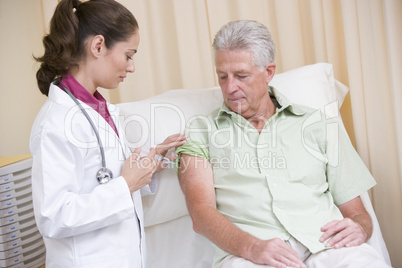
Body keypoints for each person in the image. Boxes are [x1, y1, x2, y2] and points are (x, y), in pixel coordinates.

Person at [176, 20, 390, 268]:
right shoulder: (201, 131)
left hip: (326, 245)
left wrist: (360, 229)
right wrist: (253, 248)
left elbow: (358, 214)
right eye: (222, 77)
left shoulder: (318, 124)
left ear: (268, 72)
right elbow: (201, 215)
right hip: (252, 256)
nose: (230, 87)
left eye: (241, 76)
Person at [30, 0, 186, 267]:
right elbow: (53, 217)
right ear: (98, 46)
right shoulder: (55, 123)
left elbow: (106, 178)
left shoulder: (101, 108)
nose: (132, 66)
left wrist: (146, 167)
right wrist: (126, 185)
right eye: (128, 55)